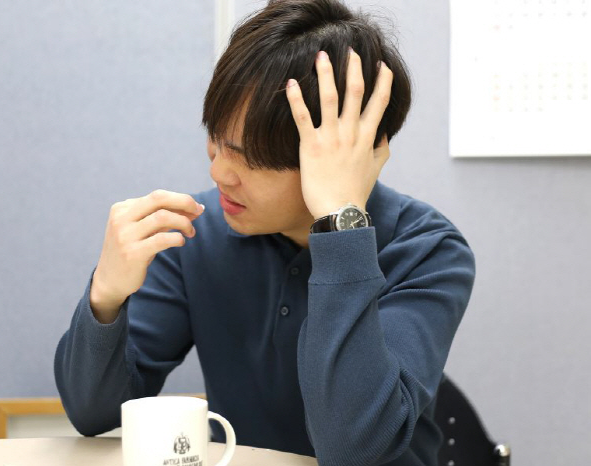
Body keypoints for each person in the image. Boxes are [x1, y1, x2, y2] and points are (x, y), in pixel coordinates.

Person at [54, 1, 476, 465]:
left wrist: (339, 226)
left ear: (345, 154)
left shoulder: (427, 250)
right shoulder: (197, 233)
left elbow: (353, 449)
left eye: (251, 158)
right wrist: (106, 295)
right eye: (217, 141)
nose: (219, 173)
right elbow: (94, 415)